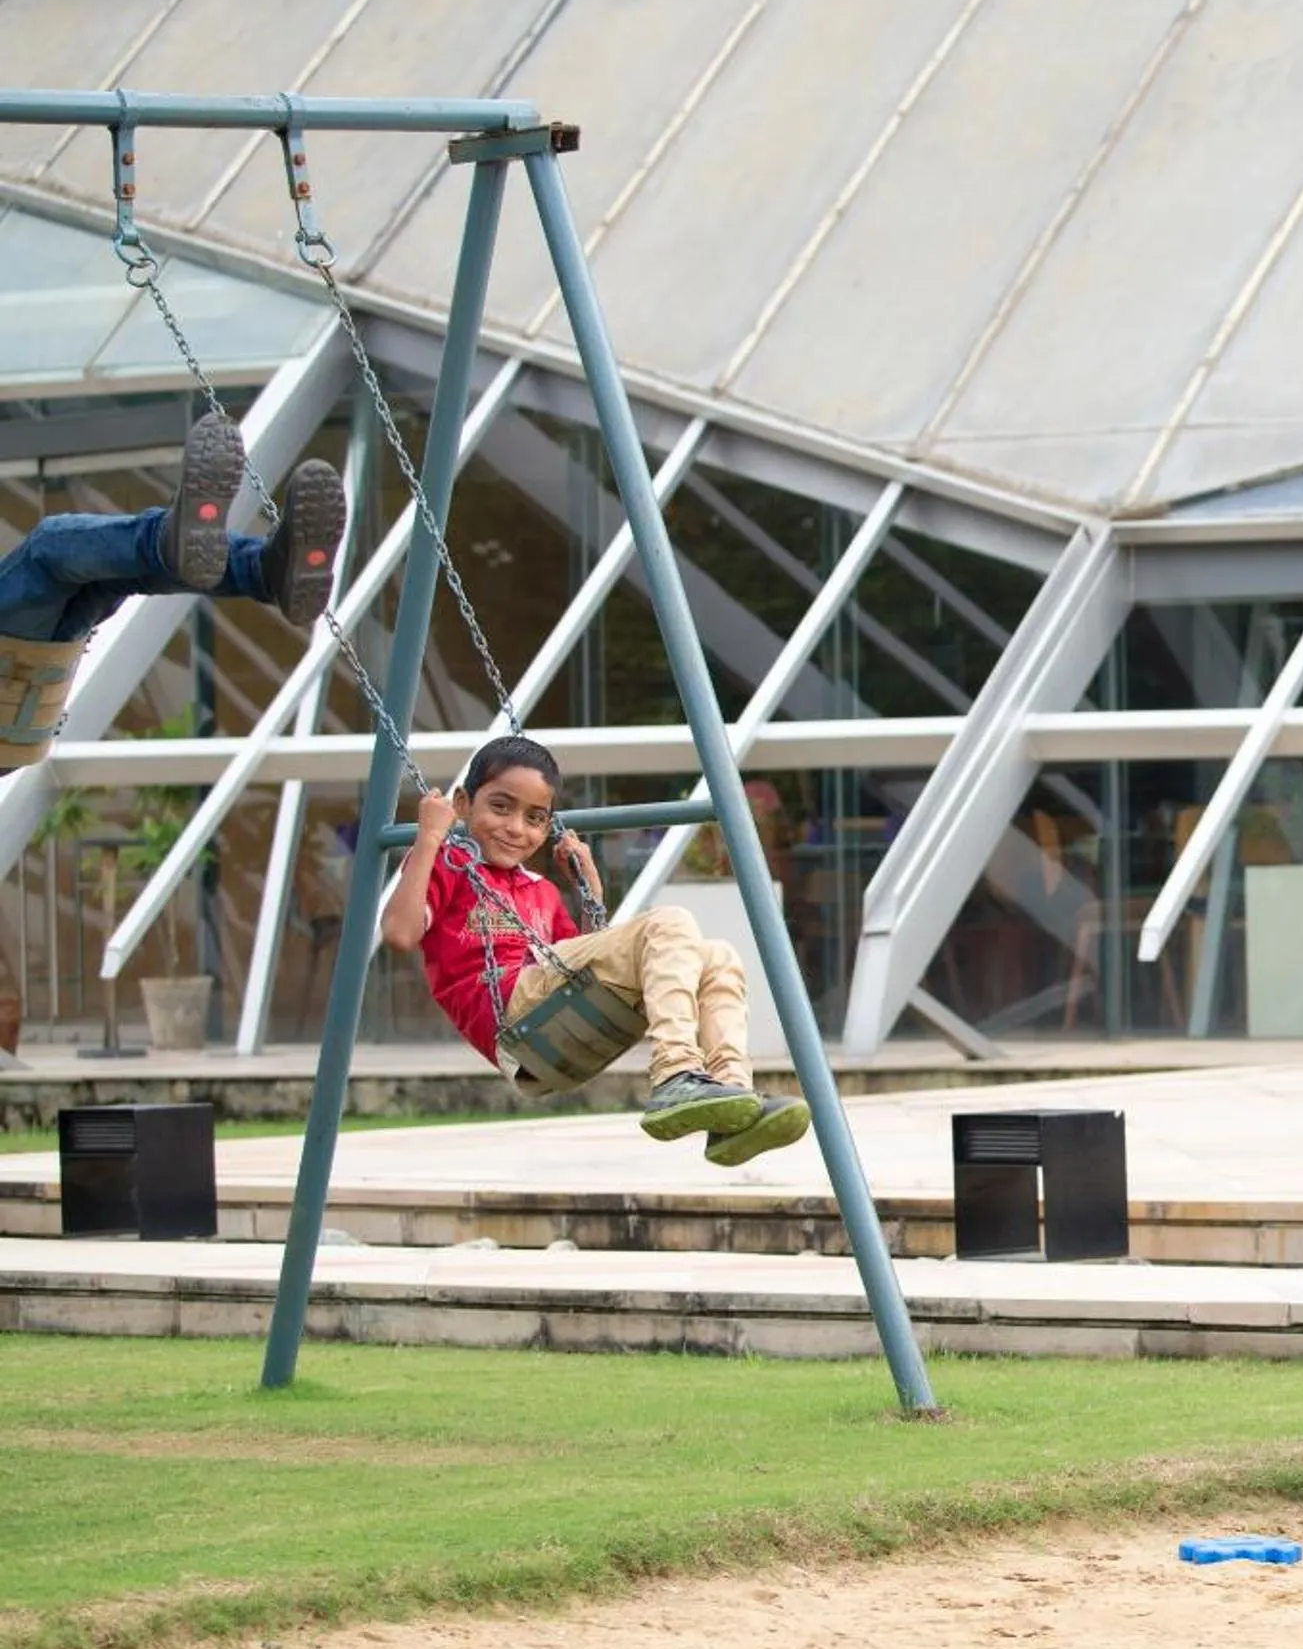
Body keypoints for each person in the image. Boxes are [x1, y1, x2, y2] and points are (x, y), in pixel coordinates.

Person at [380, 734, 811, 1166]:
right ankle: (676, 1073)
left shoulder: (541, 890)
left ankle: (730, 1097)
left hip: (551, 1017)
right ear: (462, 803)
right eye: (500, 807)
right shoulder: (449, 863)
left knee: (718, 956)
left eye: (535, 818)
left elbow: (583, 975)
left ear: (548, 826)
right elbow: (399, 932)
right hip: (511, 1018)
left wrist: (592, 894)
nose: (515, 828)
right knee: (670, 921)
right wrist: (430, 838)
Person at [0, 414, 345, 767]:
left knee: (108, 568)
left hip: (22, 712)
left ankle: (265, 570)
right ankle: (180, 546)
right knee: (51, 547)